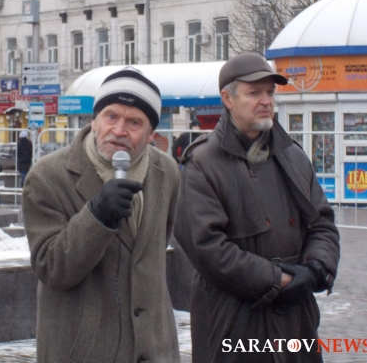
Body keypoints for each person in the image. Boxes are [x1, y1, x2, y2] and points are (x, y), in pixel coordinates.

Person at [174, 53, 340, 362]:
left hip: (296, 320)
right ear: (228, 99)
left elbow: (322, 224)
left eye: (270, 92)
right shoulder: (203, 163)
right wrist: (279, 279)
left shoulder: (293, 155)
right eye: (254, 93)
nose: (265, 101)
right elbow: (208, 248)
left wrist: (316, 269)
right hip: (233, 322)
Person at [23, 67, 181, 363]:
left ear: (151, 134)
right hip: (84, 351)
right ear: (94, 121)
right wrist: (97, 217)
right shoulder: (48, 176)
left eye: (134, 122)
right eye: (111, 117)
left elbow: (153, 252)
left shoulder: (166, 171)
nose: (119, 130)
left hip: (154, 349)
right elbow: (51, 268)